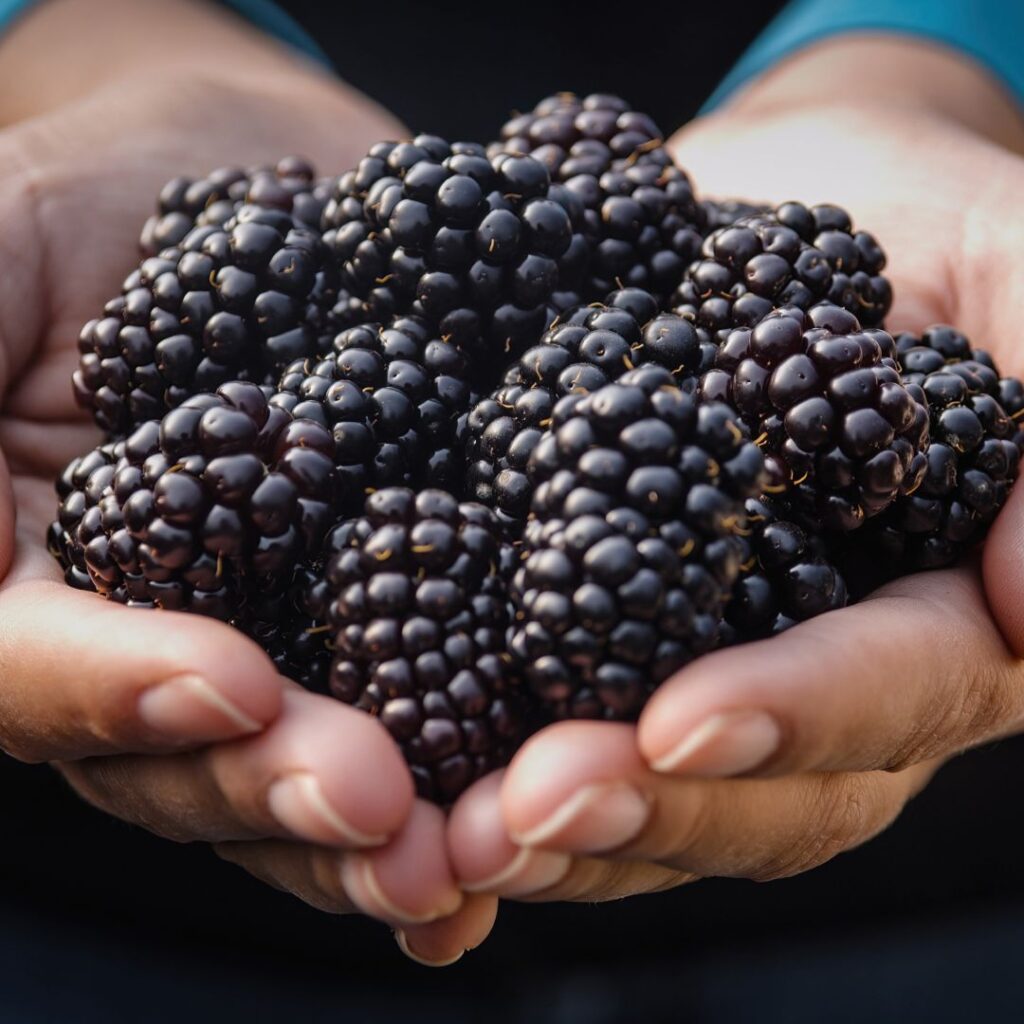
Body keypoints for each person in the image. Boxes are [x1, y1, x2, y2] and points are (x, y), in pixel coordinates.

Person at [0, 0, 1023, 1010]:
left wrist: (939, 62)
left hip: (904, 925)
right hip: (142, 941)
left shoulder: (660, 392)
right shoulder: (379, 401)